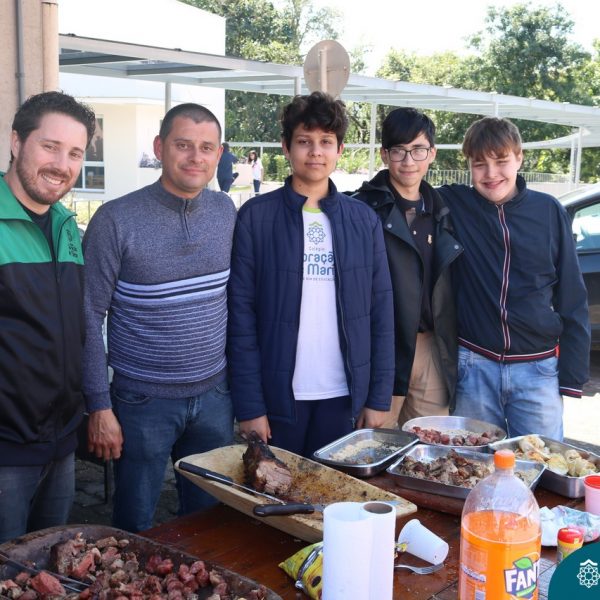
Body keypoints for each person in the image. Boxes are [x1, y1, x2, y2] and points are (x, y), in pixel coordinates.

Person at [82, 103, 237, 533]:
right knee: (135, 524)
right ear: (159, 147)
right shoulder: (116, 220)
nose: (195, 157)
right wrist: (99, 404)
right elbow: (88, 315)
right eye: (183, 144)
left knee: (209, 523)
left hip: (214, 396)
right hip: (142, 402)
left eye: (206, 147)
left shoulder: (226, 212)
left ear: (219, 153)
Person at [227, 91, 394, 458]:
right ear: (286, 147)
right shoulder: (256, 217)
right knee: (275, 489)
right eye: (304, 141)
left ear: (340, 149)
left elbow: (381, 312)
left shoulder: (363, 220)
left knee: (332, 490)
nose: (315, 152)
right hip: (279, 398)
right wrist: (250, 406)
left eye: (326, 142)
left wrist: (378, 397)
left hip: (343, 397)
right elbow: (240, 315)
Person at [439, 116, 590, 439]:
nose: (491, 173)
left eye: (501, 161)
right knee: (473, 462)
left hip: (537, 369)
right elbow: (404, 188)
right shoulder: (454, 204)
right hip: (474, 365)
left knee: (540, 462)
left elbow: (572, 296)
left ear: (519, 157)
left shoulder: (548, 211)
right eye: (479, 164)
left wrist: (572, 377)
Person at [0, 91, 96, 544]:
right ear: (17, 142)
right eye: (50, 146)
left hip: (60, 444)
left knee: (50, 564)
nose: (62, 164)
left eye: (75, 153)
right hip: (6, 452)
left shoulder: (65, 225)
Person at [352, 108, 463, 428]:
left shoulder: (443, 212)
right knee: (376, 443)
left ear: (432, 154)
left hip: (431, 347)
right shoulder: (361, 210)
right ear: (385, 154)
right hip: (382, 348)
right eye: (399, 150)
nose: (409, 160)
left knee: (430, 444)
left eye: (418, 150)